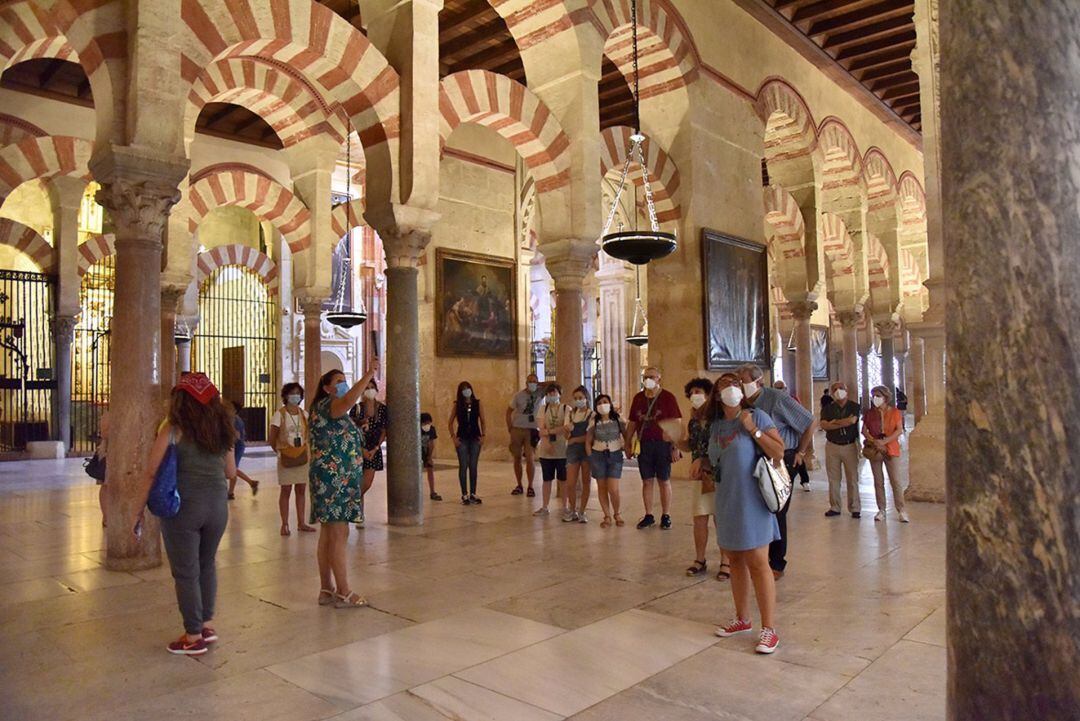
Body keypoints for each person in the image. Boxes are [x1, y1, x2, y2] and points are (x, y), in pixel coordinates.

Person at [135, 372, 236, 655]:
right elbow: (230, 472)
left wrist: (136, 510)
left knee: (186, 572)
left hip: (184, 508)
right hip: (217, 507)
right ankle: (206, 624)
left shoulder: (173, 430)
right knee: (206, 564)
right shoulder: (222, 429)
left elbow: (151, 472)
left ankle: (192, 637)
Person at [708, 372, 786, 655]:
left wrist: (752, 429)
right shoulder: (716, 426)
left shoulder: (758, 416)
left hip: (753, 499)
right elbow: (714, 462)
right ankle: (742, 618)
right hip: (727, 499)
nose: (730, 388)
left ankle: (769, 629)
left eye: (734, 384)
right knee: (735, 559)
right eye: (724, 385)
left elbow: (778, 451)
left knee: (757, 561)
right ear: (717, 395)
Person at [309, 363, 379, 608]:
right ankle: (344, 591)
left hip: (339, 477)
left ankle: (326, 589)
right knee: (338, 534)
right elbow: (349, 399)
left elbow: (365, 414)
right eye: (338, 381)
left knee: (329, 534)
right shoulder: (330, 405)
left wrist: (370, 393)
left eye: (344, 380)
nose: (343, 384)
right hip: (334, 478)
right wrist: (369, 373)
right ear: (327, 388)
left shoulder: (333, 410)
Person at [736, 364, 815, 578]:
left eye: (744, 380)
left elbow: (808, 421)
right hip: (756, 459)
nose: (741, 385)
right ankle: (758, 555)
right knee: (758, 509)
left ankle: (777, 562)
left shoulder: (777, 399)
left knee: (776, 509)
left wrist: (800, 451)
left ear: (758, 381)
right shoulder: (742, 402)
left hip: (781, 458)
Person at [679, 378, 730, 581]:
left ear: (709, 394)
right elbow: (692, 445)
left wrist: (704, 459)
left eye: (698, 391)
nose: (694, 396)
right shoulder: (693, 421)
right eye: (691, 393)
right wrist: (675, 440)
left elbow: (721, 445)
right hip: (700, 477)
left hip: (718, 474)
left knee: (720, 518)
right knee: (700, 517)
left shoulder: (719, 419)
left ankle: (726, 560)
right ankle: (700, 559)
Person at [625, 366, 682, 530]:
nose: (648, 379)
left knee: (664, 480)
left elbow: (676, 424)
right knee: (646, 481)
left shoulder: (668, 397)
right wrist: (627, 443)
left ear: (659, 379)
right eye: (645, 376)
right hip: (645, 444)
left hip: (663, 444)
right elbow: (633, 423)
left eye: (651, 376)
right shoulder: (638, 398)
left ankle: (666, 514)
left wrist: (675, 447)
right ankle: (649, 514)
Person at [268, 382, 316, 536]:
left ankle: (301, 522)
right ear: (286, 396)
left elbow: (309, 434)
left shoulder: (304, 414)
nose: (295, 396)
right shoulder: (279, 414)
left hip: (302, 455)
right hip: (286, 457)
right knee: (286, 490)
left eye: (298, 393)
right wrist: (281, 451)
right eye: (292, 393)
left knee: (301, 489)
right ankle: (285, 524)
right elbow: (272, 437)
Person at [863, 385, 908, 522]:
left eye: (878, 396)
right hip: (875, 449)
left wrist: (885, 441)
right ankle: (881, 509)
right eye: (873, 396)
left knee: (895, 480)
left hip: (891, 448)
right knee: (878, 480)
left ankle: (901, 510)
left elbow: (899, 430)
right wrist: (875, 441)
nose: (875, 399)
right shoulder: (870, 413)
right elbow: (864, 430)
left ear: (885, 397)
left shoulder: (894, 412)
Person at [820, 381, 862, 519]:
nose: (838, 391)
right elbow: (824, 425)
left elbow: (852, 421)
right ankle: (835, 506)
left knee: (852, 478)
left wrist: (833, 422)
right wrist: (841, 422)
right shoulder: (827, 408)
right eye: (835, 389)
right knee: (833, 478)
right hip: (832, 445)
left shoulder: (854, 406)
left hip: (849, 445)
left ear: (847, 390)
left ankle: (855, 507)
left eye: (841, 388)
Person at [350, 379, 389, 527]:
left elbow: (384, 431)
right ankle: (359, 515)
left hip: (374, 449)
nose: (370, 390)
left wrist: (376, 448)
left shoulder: (382, 409)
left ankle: (351, 503)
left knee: (366, 483)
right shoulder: (357, 409)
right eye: (367, 388)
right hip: (358, 450)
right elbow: (352, 430)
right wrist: (362, 450)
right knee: (359, 480)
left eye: (372, 387)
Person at [586, 394, 625, 528]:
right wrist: (590, 456)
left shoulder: (617, 419)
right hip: (598, 456)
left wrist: (628, 448)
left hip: (615, 455)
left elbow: (626, 434)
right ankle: (607, 515)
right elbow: (588, 440)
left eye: (605, 402)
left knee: (613, 488)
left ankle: (617, 513)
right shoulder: (594, 421)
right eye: (599, 403)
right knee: (602, 487)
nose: (603, 405)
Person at [534, 383, 569, 518]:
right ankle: (545, 506)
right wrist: (547, 437)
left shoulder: (566, 408)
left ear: (559, 393)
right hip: (546, 450)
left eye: (554, 393)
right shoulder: (543, 408)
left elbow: (565, 427)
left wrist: (548, 431)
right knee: (547, 479)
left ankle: (565, 506)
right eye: (549, 393)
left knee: (563, 479)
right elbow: (541, 429)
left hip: (562, 450)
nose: (552, 395)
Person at [448, 381, 485, 505]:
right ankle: (464, 494)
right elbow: (450, 422)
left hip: (475, 437)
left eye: (468, 388)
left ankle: (473, 493)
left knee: (473, 465)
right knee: (463, 465)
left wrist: (483, 436)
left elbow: (483, 420)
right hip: (462, 438)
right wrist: (453, 437)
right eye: (463, 389)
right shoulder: (457, 404)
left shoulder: (477, 403)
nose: (466, 391)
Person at [506, 373, 541, 497]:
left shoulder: (539, 394)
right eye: (530, 381)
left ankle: (530, 485)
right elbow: (509, 411)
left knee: (530, 457)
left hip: (531, 429)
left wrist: (540, 385)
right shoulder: (518, 396)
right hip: (517, 428)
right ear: (526, 383)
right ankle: (519, 484)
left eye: (534, 381)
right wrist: (510, 426)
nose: (532, 383)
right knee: (517, 457)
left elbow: (554, 385)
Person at [564, 385, 594, 523]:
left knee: (586, 481)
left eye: (580, 398)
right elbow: (566, 436)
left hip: (585, 449)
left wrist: (575, 439)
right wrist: (567, 431)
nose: (578, 400)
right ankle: (572, 509)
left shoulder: (591, 414)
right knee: (571, 482)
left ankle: (582, 510)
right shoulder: (570, 414)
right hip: (572, 450)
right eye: (575, 398)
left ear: (586, 398)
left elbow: (590, 435)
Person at [226, 399, 258, 500]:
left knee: (233, 469)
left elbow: (237, 435)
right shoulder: (233, 419)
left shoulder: (235, 420)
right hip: (235, 446)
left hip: (236, 446)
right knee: (233, 469)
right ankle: (251, 483)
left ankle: (232, 492)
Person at [421, 412, 441, 501]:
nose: (427, 425)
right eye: (425, 423)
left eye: (429, 423)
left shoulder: (431, 429)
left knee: (430, 470)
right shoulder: (416, 429)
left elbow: (431, 443)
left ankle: (432, 492)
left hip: (426, 452)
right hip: (417, 452)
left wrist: (429, 457)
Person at [96, 409, 110, 527]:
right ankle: (106, 516)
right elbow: (104, 433)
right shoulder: (107, 415)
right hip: (108, 452)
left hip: (114, 451)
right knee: (105, 485)